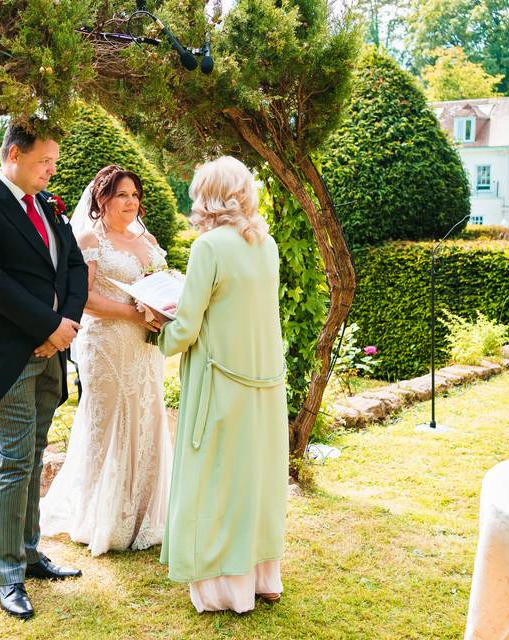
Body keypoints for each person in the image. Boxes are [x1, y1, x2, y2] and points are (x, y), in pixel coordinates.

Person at [0, 122, 89, 620]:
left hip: (52, 349)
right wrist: (48, 326)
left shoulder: (48, 205)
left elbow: (74, 266)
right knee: (13, 462)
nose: (52, 170)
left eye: (53, 161)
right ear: (14, 154)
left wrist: (66, 324)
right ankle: (8, 574)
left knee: (35, 453)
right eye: (44, 162)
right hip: (12, 355)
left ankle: (30, 553)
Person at [155, 156, 288, 613]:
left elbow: (186, 326)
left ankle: (224, 590)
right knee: (256, 480)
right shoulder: (265, 243)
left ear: (206, 197)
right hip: (265, 382)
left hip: (221, 382)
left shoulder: (208, 247)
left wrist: (157, 328)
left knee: (216, 480)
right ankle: (264, 577)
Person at [40, 165, 172, 556]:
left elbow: (160, 281)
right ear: (102, 199)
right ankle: (104, 515)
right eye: (122, 195)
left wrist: (162, 309)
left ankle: (145, 512)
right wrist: (134, 313)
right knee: (110, 422)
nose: (131, 202)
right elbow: (84, 298)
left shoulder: (144, 238)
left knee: (146, 416)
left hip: (143, 343)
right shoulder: (89, 239)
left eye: (134, 195)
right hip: (107, 344)